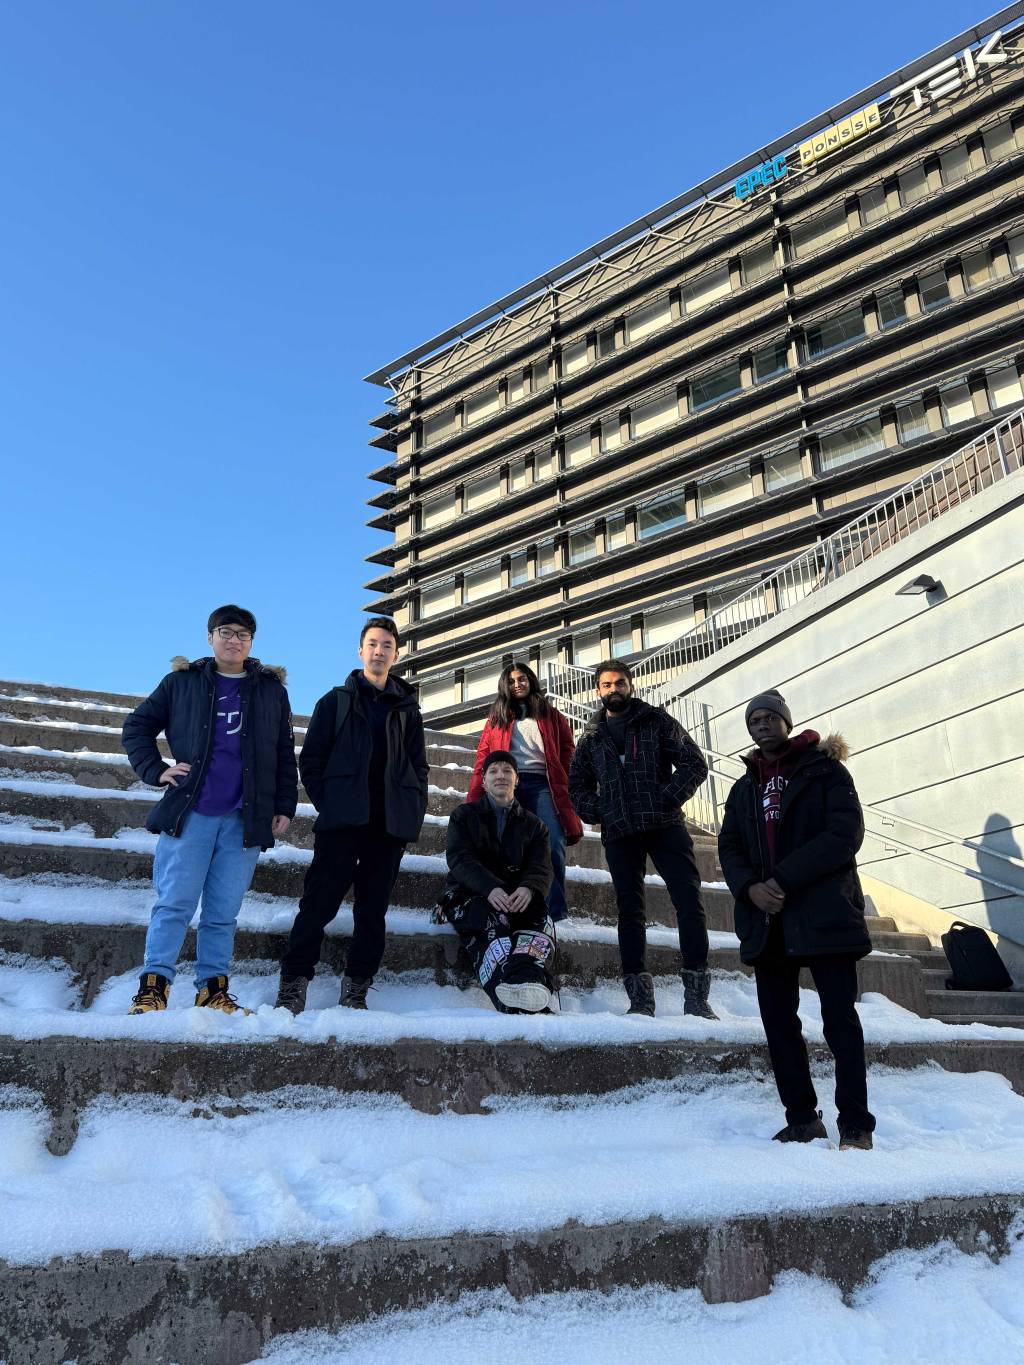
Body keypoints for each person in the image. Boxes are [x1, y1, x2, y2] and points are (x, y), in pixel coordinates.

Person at [717, 688, 876, 1150]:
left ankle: (856, 1126)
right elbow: (729, 846)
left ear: (786, 721)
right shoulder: (744, 788)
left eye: (769, 717)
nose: (762, 725)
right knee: (779, 1024)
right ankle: (803, 1119)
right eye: (754, 720)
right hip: (768, 922)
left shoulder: (825, 771)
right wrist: (749, 887)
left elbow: (844, 835)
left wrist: (781, 879)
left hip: (823, 913)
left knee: (840, 1021)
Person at [121, 605, 297, 1015]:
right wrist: (157, 770)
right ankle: (154, 989)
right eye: (226, 632)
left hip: (244, 819)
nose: (234, 640)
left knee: (223, 912)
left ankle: (212, 990)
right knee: (174, 904)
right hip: (192, 812)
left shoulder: (271, 690)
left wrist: (284, 805)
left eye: (243, 634)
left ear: (251, 642)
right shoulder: (181, 682)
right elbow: (137, 728)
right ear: (209, 637)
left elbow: (283, 755)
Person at [275, 617, 428, 1012]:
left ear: (396, 654)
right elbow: (311, 761)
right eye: (373, 644)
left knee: (372, 909)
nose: (380, 651)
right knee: (319, 903)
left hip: (387, 826)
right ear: (361, 650)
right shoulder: (335, 701)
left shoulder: (407, 708)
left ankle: (357, 985)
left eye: (387, 646)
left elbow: (419, 767)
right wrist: (334, 803)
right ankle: (294, 982)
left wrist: (412, 808)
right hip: (342, 824)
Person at [568, 659, 714, 1019]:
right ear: (597, 691)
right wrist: (599, 810)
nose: (613, 689)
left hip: (665, 825)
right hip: (619, 832)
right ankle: (640, 1000)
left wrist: (665, 798)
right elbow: (576, 786)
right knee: (629, 912)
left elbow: (695, 763)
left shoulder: (656, 720)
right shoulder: (590, 737)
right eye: (606, 685)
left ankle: (696, 998)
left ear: (630, 686)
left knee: (689, 903)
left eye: (619, 683)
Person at [468, 661, 583, 922]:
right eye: (511, 680)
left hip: (544, 783)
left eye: (522, 679)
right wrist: (475, 797)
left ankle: (555, 912)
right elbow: (483, 757)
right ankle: (507, 908)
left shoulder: (550, 714)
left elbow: (567, 748)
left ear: (530, 680)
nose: (517, 684)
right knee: (504, 845)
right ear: (504, 685)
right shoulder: (496, 717)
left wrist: (565, 775)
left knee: (553, 842)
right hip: (509, 784)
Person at [444, 750, 557, 1013]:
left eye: (507, 771)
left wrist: (529, 888)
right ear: (483, 781)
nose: (500, 776)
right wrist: (490, 887)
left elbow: (541, 866)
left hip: (515, 897)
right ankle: (509, 994)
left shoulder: (536, 826)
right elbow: (460, 859)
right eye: (493, 771)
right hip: (468, 895)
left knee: (543, 920)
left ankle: (527, 982)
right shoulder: (463, 815)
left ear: (517, 779)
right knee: (494, 921)